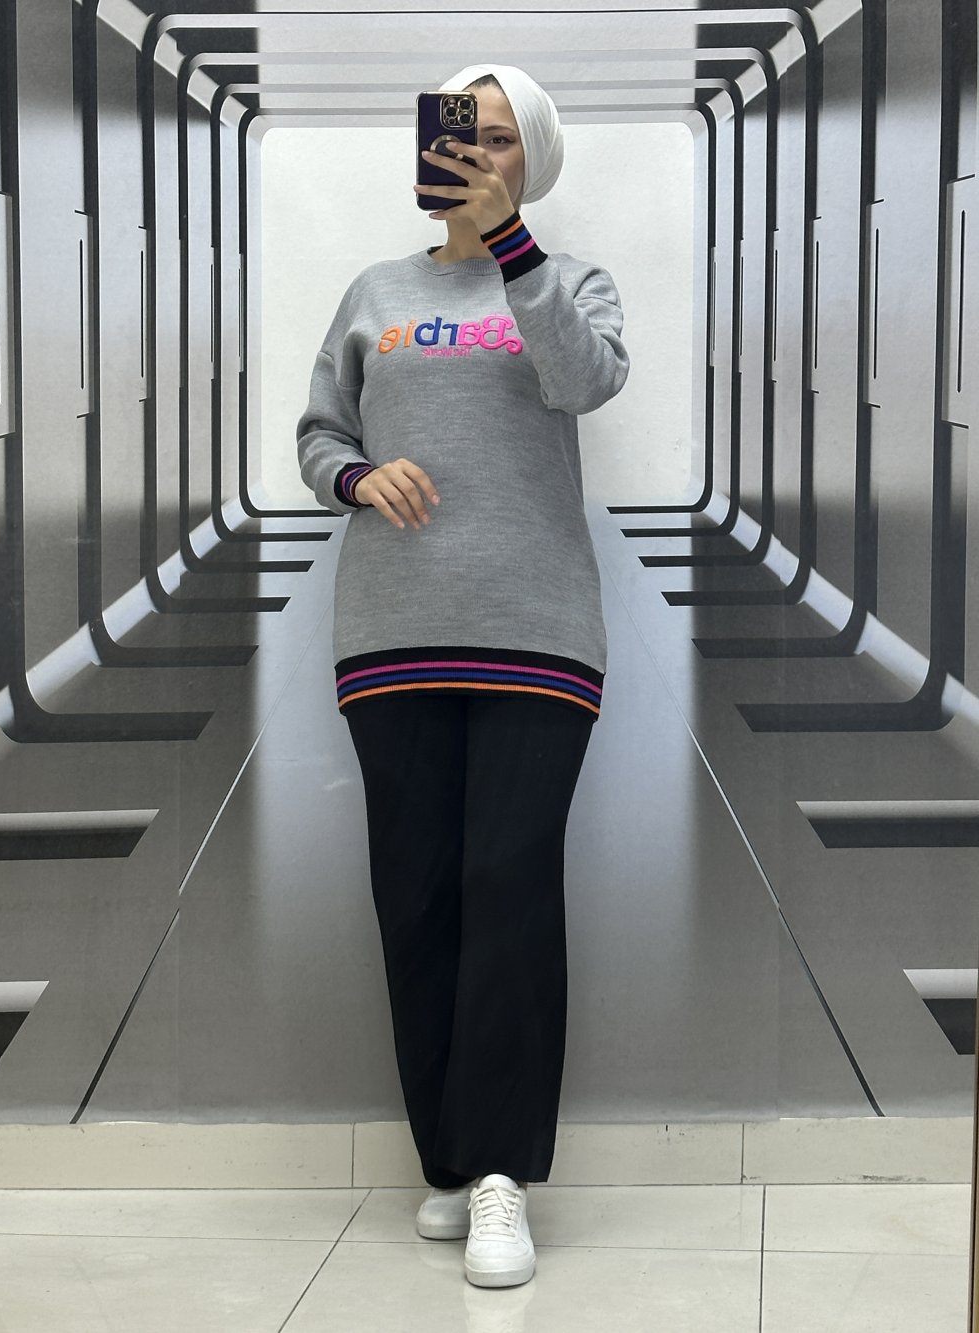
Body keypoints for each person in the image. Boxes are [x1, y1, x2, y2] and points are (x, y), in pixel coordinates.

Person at [295, 63, 629, 1288]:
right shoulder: (375, 293)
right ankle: (447, 1159)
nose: (477, 152)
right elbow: (321, 431)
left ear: (531, 156)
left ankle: (500, 1176)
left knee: (507, 883)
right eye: (459, 132)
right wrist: (355, 476)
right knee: (420, 893)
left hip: (539, 630)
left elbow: (582, 380)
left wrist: (512, 246)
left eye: (499, 138)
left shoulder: (568, 281)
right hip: (392, 632)